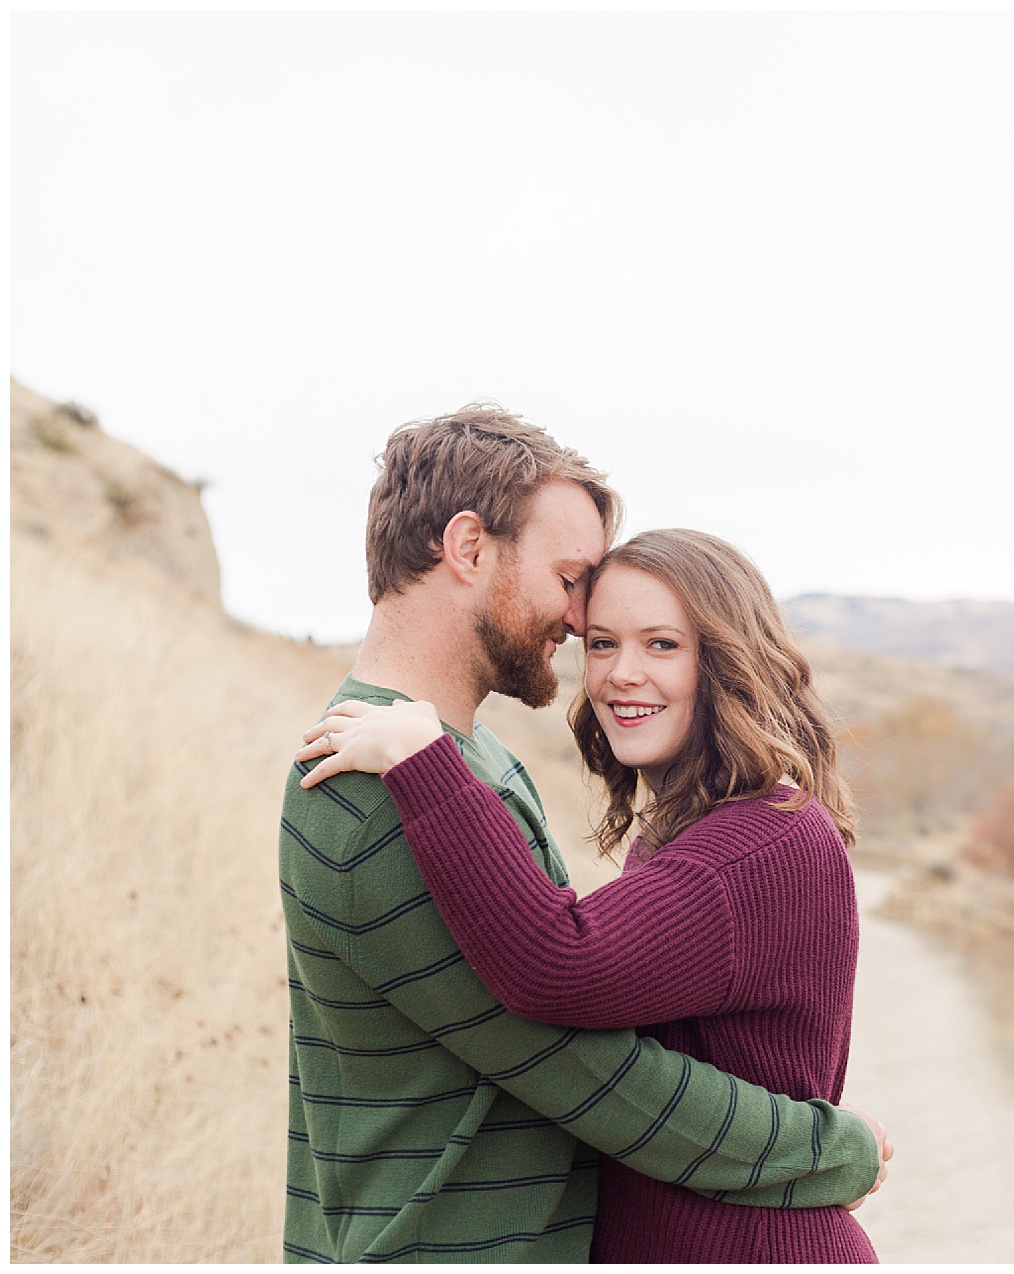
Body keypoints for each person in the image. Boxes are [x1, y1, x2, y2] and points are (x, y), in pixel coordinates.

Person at [278, 408, 889, 1264]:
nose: (577, 627)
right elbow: (583, 1064)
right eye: (574, 588)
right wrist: (831, 1149)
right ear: (467, 548)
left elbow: (571, 992)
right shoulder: (379, 787)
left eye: (661, 642)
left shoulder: (464, 759)